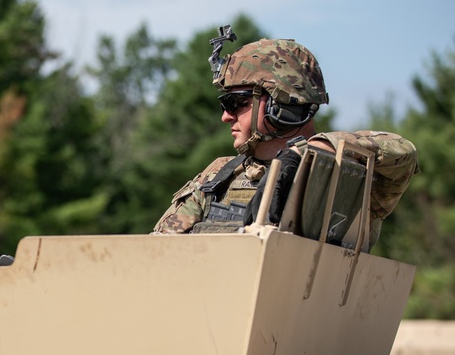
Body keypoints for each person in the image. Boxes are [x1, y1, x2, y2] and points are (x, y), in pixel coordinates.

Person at [153, 31, 419, 247]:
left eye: (236, 102)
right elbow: (157, 253)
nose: (225, 116)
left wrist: (308, 153)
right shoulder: (217, 176)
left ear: (281, 103)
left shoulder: (343, 173)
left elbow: (403, 152)